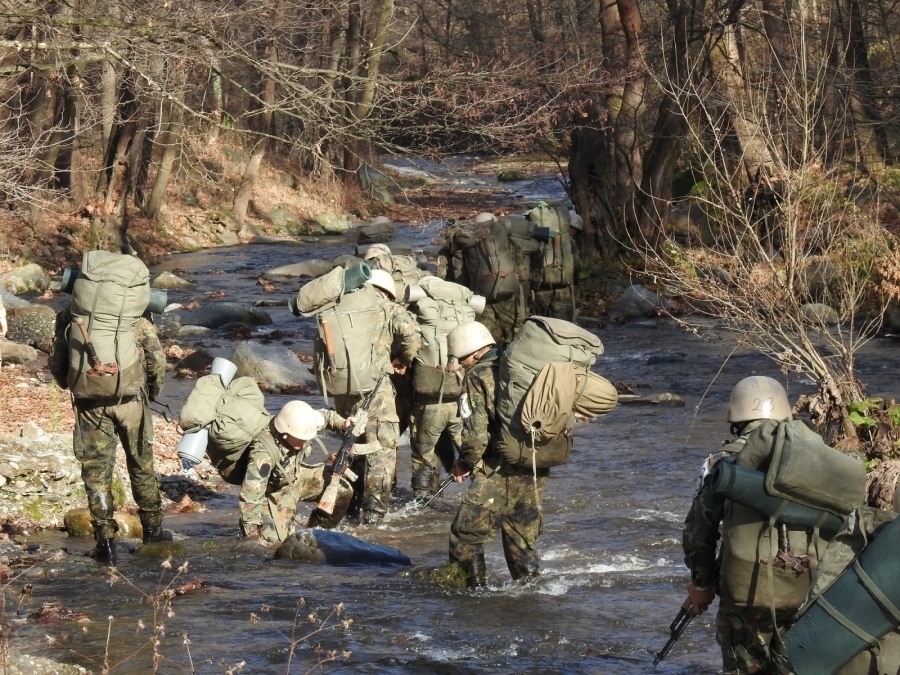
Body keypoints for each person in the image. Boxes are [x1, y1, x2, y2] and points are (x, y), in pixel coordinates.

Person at [681, 376, 837, 674]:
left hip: (745, 592)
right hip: (810, 588)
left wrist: (701, 584)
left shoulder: (721, 463)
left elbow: (698, 533)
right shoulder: (820, 458)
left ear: (735, 420)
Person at [50, 307, 167, 563]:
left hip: (91, 403)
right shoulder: (136, 315)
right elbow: (156, 360)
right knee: (141, 465)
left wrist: (73, 384)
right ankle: (152, 532)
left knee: (96, 470)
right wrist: (152, 392)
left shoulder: (69, 314)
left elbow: (58, 361)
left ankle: (106, 543)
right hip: (131, 401)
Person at [445, 321, 545, 587]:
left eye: (459, 358)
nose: (459, 364)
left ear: (471, 352)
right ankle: (533, 596)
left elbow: (477, 437)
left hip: (502, 467)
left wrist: (464, 463)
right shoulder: (519, 366)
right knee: (520, 537)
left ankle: (471, 596)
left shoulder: (477, 375)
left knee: (465, 534)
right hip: (535, 462)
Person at [329, 269, 421, 525]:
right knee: (381, 450)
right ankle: (373, 518)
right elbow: (412, 338)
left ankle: (347, 508)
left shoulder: (342, 306)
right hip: (376, 389)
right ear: (387, 291)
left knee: (351, 445)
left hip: (343, 390)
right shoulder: (389, 308)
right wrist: (400, 361)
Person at [239, 400, 357, 543]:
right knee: (277, 542)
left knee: (342, 490)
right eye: (301, 440)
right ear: (285, 435)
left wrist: (343, 423)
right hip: (273, 495)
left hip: (296, 478)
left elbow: (325, 416)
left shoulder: (302, 423)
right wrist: (254, 539)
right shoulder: (263, 454)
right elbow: (250, 501)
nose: (304, 443)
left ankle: (317, 533)